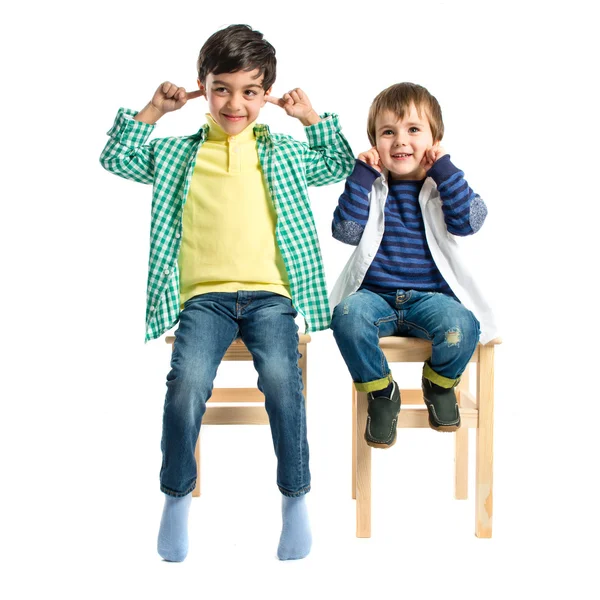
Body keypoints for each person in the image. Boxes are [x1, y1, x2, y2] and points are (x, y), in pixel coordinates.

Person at [100, 24, 354, 561]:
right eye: (221, 88)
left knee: (285, 383)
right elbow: (116, 158)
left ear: (266, 94)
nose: (234, 103)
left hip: (271, 299)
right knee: (186, 383)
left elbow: (336, 165)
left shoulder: (283, 153)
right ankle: (175, 498)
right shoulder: (177, 155)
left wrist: (309, 117)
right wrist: (153, 109)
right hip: (204, 301)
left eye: (249, 91)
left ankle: (295, 500)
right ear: (202, 85)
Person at [329, 82, 497, 449]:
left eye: (413, 130)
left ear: (434, 139)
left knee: (463, 326)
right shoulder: (371, 186)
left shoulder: (441, 187)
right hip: (375, 298)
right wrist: (360, 174)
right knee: (345, 317)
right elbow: (345, 231)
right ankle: (381, 392)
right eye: (387, 132)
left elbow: (471, 220)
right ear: (375, 143)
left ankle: (438, 383)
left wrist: (446, 170)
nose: (400, 141)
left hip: (430, 298)